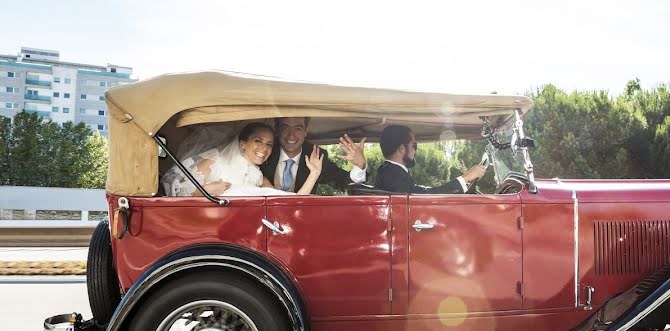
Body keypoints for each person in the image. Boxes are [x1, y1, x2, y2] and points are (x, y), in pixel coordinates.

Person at [161, 122, 323, 197]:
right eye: (258, 141)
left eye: (269, 144)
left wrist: (314, 173)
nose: (264, 149)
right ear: (243, 144)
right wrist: (204, 190)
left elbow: (290, 201)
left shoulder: (259, 177)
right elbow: (175, 190)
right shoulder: (216, 161)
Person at [346, 124, 485, 194]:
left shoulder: (388, 171)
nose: (415, 151)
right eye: (414, 145)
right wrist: (465, 178)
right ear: (401, 149)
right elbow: (426, 197)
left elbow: (421, 191)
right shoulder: (393, 175)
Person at [260, 117, 368, 194]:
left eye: (298, 128)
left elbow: (343, 183)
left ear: (306, 131)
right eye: (285, 127)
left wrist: (359, 166)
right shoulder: (265, 151)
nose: (291, 135)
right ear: (278, 130)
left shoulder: (317, 155)